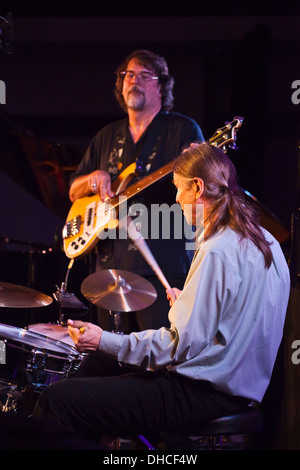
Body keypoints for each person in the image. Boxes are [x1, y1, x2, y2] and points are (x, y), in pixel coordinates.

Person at [33, 142, 290, 449]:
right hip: (235, 383)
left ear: (197, 187)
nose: (176, 199)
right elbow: (240, 318)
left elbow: (177, 345)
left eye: (179, 189)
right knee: (96, 367)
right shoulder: (267, 240)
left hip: (201, 392)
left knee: (57, 399)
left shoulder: (215, 249)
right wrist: (193, 302)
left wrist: (103, 339)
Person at [68, 49, 204, 332]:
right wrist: (93, 179)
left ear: (162, 86)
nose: (134, 81)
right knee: (109, 356)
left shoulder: (182, 129)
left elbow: (202, 191)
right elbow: (73, 191)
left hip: (161, 267)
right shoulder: (106, 135)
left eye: (145, 75)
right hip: (109, 267)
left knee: (156, 356)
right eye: (129, 75)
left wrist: (197, 165)